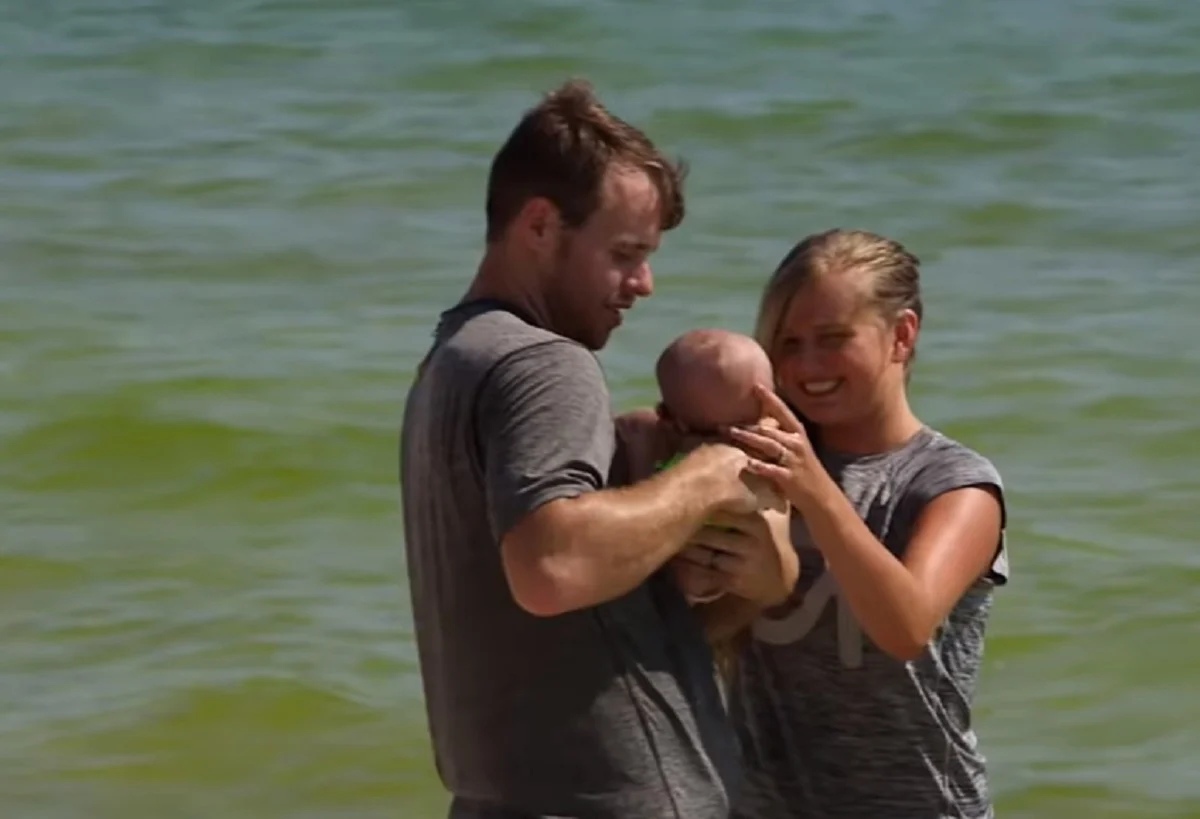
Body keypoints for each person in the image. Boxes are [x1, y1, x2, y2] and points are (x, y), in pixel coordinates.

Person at [399, 79, 796, 819]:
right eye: (623, 253)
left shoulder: (450, 360)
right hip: (614, 795)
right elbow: (552, 567)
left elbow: (559, 615)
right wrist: (712, 473)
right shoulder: (547, 362)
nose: (643, 283)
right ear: (541, 225)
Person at [717, 228, 1009, 819]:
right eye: (789, 342)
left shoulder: (953, 484)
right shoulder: (764, 465)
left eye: (832, 339)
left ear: (901, 334)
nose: (805, 365)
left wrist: (816, 492)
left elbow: (905, 628)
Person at [619, 328, 788, 605]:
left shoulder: (769, 461)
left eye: (745, 431)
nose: (727, 450)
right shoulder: (637, 439)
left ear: (770, 413)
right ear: (666, 420)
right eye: (707, 435)